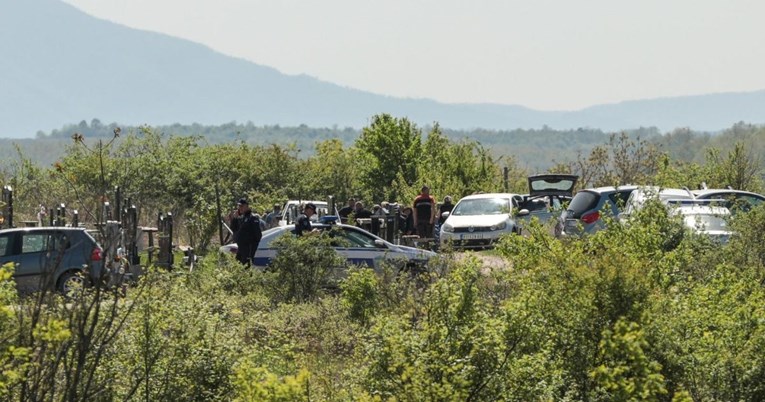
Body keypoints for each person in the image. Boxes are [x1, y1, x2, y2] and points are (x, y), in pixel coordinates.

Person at [230, 198, 262, 267]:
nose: (240, 208)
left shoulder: (252, 218)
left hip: (248, 249)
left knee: (247, 268)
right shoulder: (242, 218)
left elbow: (258, 235)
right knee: (237, 267)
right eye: (239, 206)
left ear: (247, 206)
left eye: (242, 206)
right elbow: (234, 229)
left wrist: (252, 246)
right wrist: (235, 218)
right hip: (241, 248)